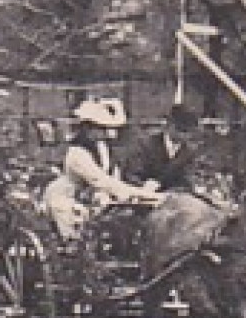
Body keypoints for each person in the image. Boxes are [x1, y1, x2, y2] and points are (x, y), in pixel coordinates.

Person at [41, 97, 160, 242]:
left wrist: (133, 194)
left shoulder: (102, 147)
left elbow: (112, 176)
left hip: (94, 195)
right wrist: (147, 195)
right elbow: (101, 181)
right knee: (76, 234)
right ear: (88, 128)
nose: (107, 133)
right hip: (68, 196)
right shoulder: (77, 153)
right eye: (102, 128)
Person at [131, 103, 202, 193]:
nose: (183, 136)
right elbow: (132, 175)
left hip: (173, 201)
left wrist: (170, 193)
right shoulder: (146, 144)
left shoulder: (188, 152)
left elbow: (187, 182)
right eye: (180, 130)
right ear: (169, 125)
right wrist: (143, 186)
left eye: (188, 132)